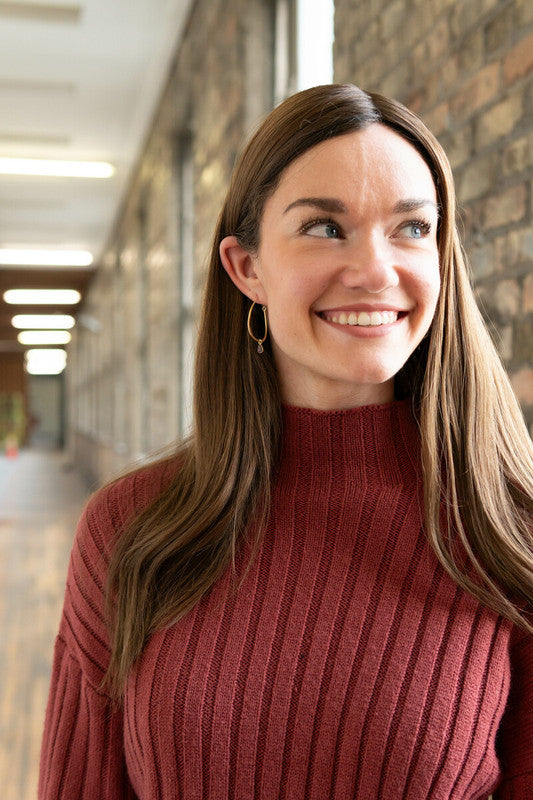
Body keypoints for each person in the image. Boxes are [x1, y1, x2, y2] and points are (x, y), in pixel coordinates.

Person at [39, 84, 533, 799]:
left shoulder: (507, 531)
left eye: (411, 229)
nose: (374, 269)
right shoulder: (128, 531)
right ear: (246, 269)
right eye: (324, 228)